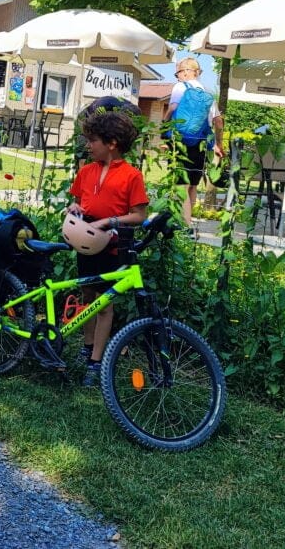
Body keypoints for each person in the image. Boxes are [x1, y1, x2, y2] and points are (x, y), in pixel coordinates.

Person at [67, 111, 149, 387]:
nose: (88, 145)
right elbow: (78, 202)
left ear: (111, 143)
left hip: (111, 245)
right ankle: (87, 346)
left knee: (105, 302)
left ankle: (96, 360)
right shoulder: (86, 171)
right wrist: (74, 208)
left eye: (92, 140)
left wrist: (110, 221)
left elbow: (139, 215)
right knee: (87, 295)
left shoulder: (131, 176)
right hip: (85, 240)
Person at [165, 58, 224, 225]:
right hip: (201, 143)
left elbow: (173, 108)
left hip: (180, 141)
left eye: (177, 73)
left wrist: (164, 125)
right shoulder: (207, 93)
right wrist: (219, 144)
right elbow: (218, 122)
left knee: (180, 184)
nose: (177, 77)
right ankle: (189, 219)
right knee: (192, 185)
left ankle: (184, 224)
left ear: (185, 72)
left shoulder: (180, 87)